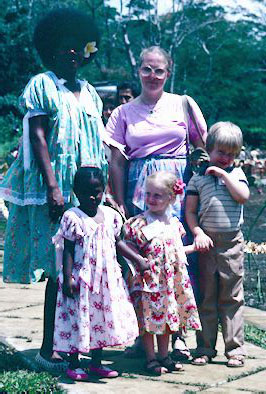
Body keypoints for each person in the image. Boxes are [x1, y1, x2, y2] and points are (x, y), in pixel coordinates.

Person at [0, 8, 108, 372]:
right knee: (58, 270)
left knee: (86, 269)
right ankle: (49, 348)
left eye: (78, 49)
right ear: (52, 51)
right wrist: (52, 187)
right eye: (64, 49)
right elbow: (39, 137)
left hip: (88, 193)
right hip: (57, 189)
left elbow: (97, 145)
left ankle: (80, 346)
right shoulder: (42, 85)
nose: (72, 54)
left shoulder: (91, 93)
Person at [106, 45, 207, 357]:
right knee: (142, 266)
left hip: (176, 190)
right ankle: (144, 335)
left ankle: (177, 336)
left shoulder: (183, 104)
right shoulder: (123, 112)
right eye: (146, 69)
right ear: (138, 71)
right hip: (141, 191)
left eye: (158, 70)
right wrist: (119, 201)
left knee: (177, 261)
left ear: (168, 71)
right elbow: (116, 161)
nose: (152, 76)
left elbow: (201, 148)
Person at [53, 166, 146, 380]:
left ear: (103, 189)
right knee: (79, 319)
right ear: (76, 192)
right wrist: (68, 278)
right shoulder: (72, 217)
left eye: (97, 191)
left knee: (101, 320)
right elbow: (67, 250)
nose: (92, 197)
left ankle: (96, 362)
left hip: (106, 281)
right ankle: (74, 362)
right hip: (81, 279)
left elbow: (118, 242)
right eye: (86, 193)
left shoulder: (111, 215)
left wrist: (138, 259)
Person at [122, 171, 201, 375]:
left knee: (166, 319)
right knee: (148, 319)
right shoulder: (139, 223)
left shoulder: (174, 224)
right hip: (149, 283)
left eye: (157, 195)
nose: (151, 199)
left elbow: (175, 250)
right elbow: (128, 250)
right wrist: (138, 267)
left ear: (171, 198)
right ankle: (150, 358)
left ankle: (164, 355)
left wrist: (193, 248)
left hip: (168, 281)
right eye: (148, 194)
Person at [185, 121, 250, 368]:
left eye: (231, 154)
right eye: (221, 152)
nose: (226, 158)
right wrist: (197, 232)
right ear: (209, 149)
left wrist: (224, 174)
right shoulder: (197, 179)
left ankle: (235, 348)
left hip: (231, 242)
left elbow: (243, 197)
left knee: (232, 297)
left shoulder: (237, 175)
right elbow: (190, 212)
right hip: (206, 243)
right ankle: (205, 347)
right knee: (206, 296)